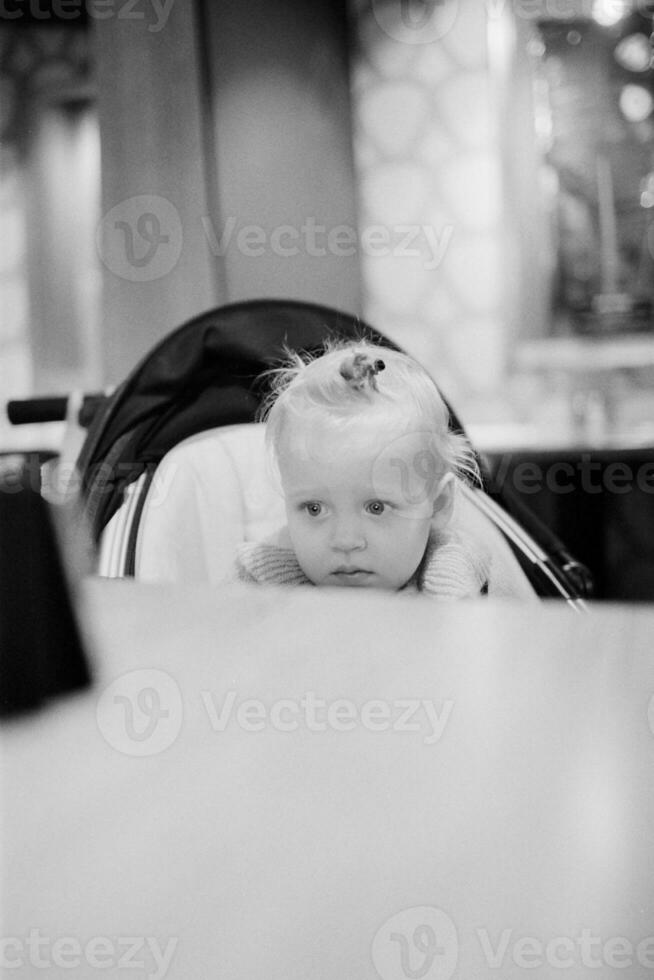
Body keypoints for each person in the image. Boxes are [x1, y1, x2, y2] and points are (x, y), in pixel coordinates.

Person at [234, 341, 490, 597]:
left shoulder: (452, 578)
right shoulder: (258, 580)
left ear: (438, 504)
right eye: (315, 509)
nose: (345, 541)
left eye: (376, 507)